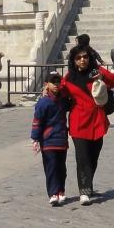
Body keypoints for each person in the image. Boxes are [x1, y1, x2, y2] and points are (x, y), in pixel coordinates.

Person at [58, 48, 114, 204]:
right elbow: (60, 92)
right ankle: (84, 191)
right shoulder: (69, 78)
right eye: (78, 58)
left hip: (97, 120)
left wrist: (101, 74)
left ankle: (89, 185)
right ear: (73, 61)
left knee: (93, 156)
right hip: (79, 121)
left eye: (85, 57)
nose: (82, 60)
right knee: (82, 157)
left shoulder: (96, 72)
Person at [31, 71, 69, 205]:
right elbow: (37, 121)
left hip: (62, 139)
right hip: (48, 140)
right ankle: (53, 193)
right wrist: (35, 139)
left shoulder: (63, 100)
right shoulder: (43, 102)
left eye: (58, 82)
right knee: (51, 167)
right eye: (53, 82)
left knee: (61, 168)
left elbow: (70, 89)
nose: (56, 84)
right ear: (47, 84)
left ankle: (61, 191)